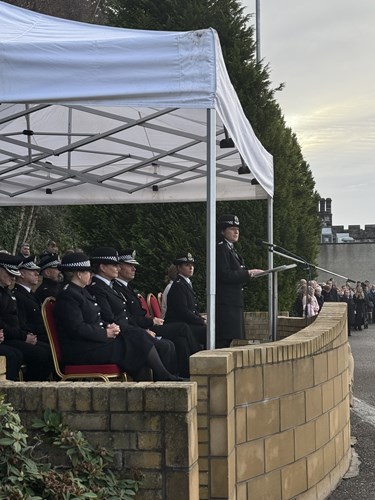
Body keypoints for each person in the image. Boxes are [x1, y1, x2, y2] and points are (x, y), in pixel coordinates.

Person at [83, 248, 181, 381]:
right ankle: (164, 381)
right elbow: (109, 317)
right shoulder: (98, 288)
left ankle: (166, 381)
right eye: (114, 265)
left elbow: (125, 315)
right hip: (118, 334)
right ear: (103, 267)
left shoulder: (109, 287)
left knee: (157, 344)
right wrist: (139, 330)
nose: (118, 268)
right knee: (151, 345)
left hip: (125, 331)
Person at [113, 249, 201, 378]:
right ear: (119, 267)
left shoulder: (127, 288)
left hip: (143, 326)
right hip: (138, 329)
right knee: (182, 329)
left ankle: (181, 374)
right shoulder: (117, 289)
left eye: (134, 266)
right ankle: (199, 360)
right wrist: (150, 322)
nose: (134, 269)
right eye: (130, 265)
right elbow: (127, 317)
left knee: (179, 339)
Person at [0, 252, 52, 381]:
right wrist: (24, 336)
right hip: (9, 337)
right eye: (10, 274)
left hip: (13, 335)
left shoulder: (6, 292)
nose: (13, 278)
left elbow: (15, 321)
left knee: (47, 350)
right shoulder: (11, 293)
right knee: (16, 355)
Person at [215, 214, 263, 348]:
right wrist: (248, 273)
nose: (236, 232)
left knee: (229, 340)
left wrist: (248, 275)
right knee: (223, 339)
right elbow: (224, 274)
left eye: (237, 229)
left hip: (233, 300)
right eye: (232, 228)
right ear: (222, 231)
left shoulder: (231, 249)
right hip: (226, 302)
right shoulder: (221, 248)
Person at [164, 252, 207, 348]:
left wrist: (201, 319)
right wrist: (201, 321)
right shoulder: (178, 285)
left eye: (192, 265)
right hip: (179, 324)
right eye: (187, 265)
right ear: (179, 268)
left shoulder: (186, 283)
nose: (191, 268)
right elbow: (183, 311)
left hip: (186, 323)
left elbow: (192, 309)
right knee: (209, 332)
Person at [12, 256, 49, 343]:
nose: (37, 274)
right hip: (34, 337)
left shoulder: (31, 294)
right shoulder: (17, 295)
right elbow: (23, 324)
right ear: (21, 274)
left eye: (36, 271)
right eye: (32, 271)